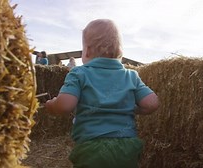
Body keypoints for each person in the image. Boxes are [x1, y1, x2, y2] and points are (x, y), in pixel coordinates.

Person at [45, 19, 159, 168]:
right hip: (127, 147)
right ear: (120, 52)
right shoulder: (131, 76)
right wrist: (133, 108)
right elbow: (152, 103)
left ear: (86, 51)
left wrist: (52, 105)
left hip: (91, 148)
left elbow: (65, 105)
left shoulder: (79, 73)